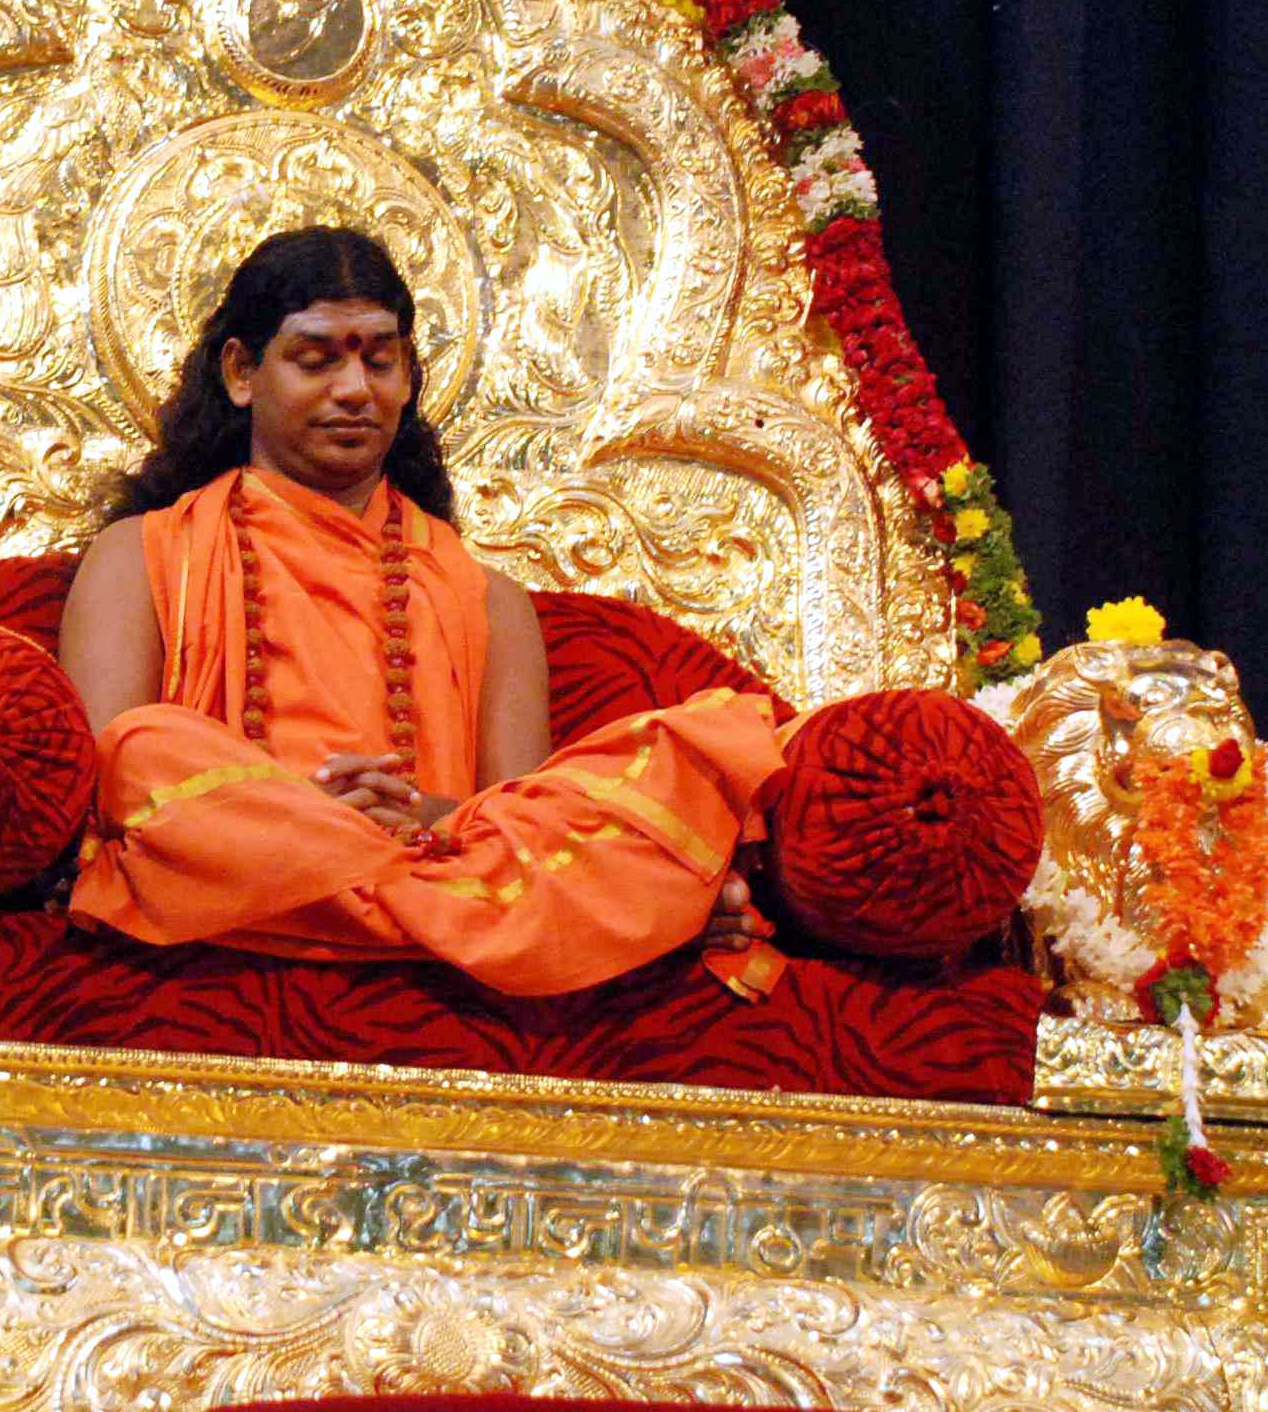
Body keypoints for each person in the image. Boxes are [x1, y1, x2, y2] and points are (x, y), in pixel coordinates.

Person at [61, 226, 790, 1000]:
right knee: (146, 747)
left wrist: (403, 815)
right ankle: (643, 905)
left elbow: (515, 827)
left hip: (430, 863)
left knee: (685, 747)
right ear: (242, 372)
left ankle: (356, 886)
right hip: (222, 862)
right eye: (316, 359)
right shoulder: (143, 553)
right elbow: (112, 792)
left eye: (380, 360)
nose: (355, 389)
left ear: (409, 376)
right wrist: (299, 809)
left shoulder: (486, 597)